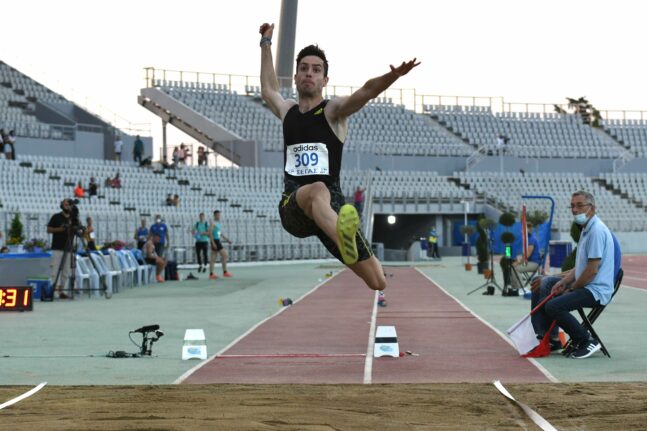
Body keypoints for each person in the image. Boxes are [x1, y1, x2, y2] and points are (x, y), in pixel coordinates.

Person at [259, 22, 419, 291]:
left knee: (378, 281)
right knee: (316, 189)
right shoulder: (288, 111)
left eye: (316, 70)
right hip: (293, 205)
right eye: (304, 69)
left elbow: (366, 91)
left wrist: (393, 77)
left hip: (332, 208)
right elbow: (268, 90)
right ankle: (344, 237)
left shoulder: (333, 112)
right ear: (296, 77)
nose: (309, 73)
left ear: (325, 80)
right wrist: (265, 44)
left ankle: (343, 237)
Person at [530, 191, 616, 359]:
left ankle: (586, 341)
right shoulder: (586, 230)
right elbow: (580, 268)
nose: (575, 209)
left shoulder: (596, 231)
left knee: (554, 305)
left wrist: (571, 289)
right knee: (543, 282)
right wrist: (564, 282)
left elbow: (591, 271)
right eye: (572, 206)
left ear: (592, 208)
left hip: (596, 290)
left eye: (579, 205)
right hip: (587, 285)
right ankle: (548, 337)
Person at [46, 199, 76, 299]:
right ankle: (54, 290)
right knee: (55, 270)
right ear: (62, 206)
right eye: (65, 204)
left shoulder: (73, 218)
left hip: (68, 248)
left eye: (69, 205)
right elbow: (49, 229)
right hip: (57, 247)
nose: (67, 206)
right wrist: (61, 229)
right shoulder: (56, 217)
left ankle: (63, 290)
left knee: (66, 271)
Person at [509, 223, 540, 290]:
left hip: (534, 263)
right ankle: (514, 287)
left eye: (523, 229)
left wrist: (517, 263)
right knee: (510, 267)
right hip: (527, 261)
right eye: (522, 229)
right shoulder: (526, 239)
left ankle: (521, 288)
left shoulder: (531, 239)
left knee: (514, 268)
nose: (521, 231)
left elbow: (527, 255)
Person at [208, 210, 232, 279]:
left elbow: (219, 233)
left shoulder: (218, 223)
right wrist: (213, 243)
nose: (219, 216)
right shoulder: (213, 223)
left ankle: (211, 274)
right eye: (217, 215)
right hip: (215, 241)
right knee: (225, 255)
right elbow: (210, 234)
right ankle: (225, 272)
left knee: (213, 258)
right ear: (214, 215)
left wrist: (227, 239)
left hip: (217, 240)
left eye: (219, 215)